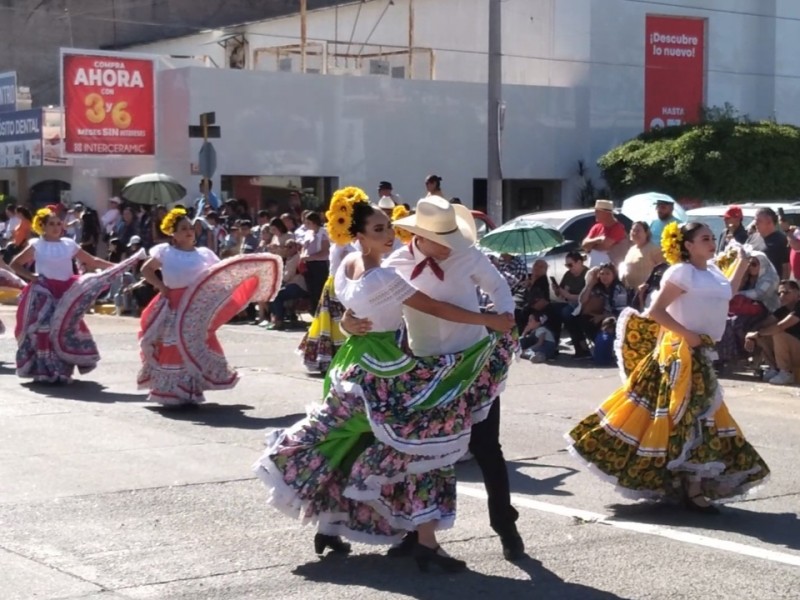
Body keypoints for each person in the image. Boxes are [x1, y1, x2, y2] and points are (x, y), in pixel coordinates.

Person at [254, 193, 513, 571]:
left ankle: (332, 524)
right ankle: (425, 542)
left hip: (354, 363)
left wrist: (347, 323)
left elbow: (341, 305)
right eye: (379, 228)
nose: (389, 233)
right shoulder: (387, 273)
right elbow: (435, 307)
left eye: (390, 225)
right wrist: (490, 322)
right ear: (358, 234)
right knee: (427, 445)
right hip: (385, 367)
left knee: (356, 441)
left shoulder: (347, 264)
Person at [342, 195, 524, 561]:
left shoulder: (467, 255)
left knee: (487, 447)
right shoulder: (395, 263)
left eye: (449, 239)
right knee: (422, 454)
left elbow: (497, 286)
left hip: (472, 363)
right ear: (418, 238)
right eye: (438, 240)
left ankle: (505, 525)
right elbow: (362, 301)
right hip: (425, 371)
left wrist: (504, 315)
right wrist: (348, 323)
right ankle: (416, 531)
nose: (446, 247)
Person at [569, 221, 770, 512]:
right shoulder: (681, 272)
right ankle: (691, 487)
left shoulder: (712, 272)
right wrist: (687, 335)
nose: (711, 242)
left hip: (699, 352)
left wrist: (739, 262)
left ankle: (690, 484)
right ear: (687, 246)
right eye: (704, 238)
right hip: (678, 353)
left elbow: (727, 292)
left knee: (699, 415)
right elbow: (656, 311)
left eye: (712, 238)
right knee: (686, 415)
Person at [137, 207, 281, 407]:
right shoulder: (165, 252)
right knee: (174, 344)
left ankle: (190, 390)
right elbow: (146, 270)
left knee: (193, 344)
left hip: (197, 307)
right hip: (173, 304)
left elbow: (221, 276)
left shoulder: (204, 254)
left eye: (191, 228)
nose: (189, 231)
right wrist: (161, 286)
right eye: (183, 228)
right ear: (174, 234)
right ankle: (170, 391)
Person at [10, 206, 139, 383]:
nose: (56, 227)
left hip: (66, 292)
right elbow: (15, 264)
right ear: (42, 226)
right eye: (51, 224)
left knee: (64, 329)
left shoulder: (69, 244)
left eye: (58, 223)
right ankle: (44, 370)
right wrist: (32, 277)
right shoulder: (36, 245)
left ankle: (61, 371)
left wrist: (117, 267)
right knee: (44, 329)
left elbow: (92, 261)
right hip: (44, 292)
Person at [566, 263, 627, 358]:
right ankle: (583, 350)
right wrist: (591, 284)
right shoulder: (600, 288)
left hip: (616, 318)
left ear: (613, 275)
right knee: (573, 319)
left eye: (607, 274)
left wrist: (602, 316)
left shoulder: (618, 289)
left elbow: (620, 313)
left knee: (590, 322)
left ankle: (604, 348)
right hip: (602, 315)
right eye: (602, 274)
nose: (604, 277)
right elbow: (582, 300)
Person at [745, 279, 800, 386]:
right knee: (763, 335)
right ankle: (775, 369)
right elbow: (764, 324)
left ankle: (786, 372)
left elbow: (781, 326)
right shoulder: (783, 310)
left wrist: (758, 333)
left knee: (778, 333)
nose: (782, 296)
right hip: (794, 351)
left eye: (786, 292)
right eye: (779, 293)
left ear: (797, 293)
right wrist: (751, 335)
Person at [581, 199, 628, 267]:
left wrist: (591, 246)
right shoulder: (596, 227)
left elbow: (604, 246)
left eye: (597, 211)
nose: (595, 213)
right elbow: (584, 245)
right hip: (594, 271)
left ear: (606, 213)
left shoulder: (618, 228)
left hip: (610, 273)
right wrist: (598, 240)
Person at [619, 221, 663, 293]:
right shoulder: (632, 249)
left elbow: (662, 270)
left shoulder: (654, 249)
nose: (635, 233)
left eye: (638, 231)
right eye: (633, 230)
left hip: (646, 293)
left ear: (646, 233)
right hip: (630, 292)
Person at [749, 207, 789, 278]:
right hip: (751, 284)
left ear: (769, 222)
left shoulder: (781, 240)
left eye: (759, 221)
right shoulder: (753, 237)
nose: (756, 223)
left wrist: (783, 285)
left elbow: (786, 267)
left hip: (771, 284)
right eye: (755, 220)